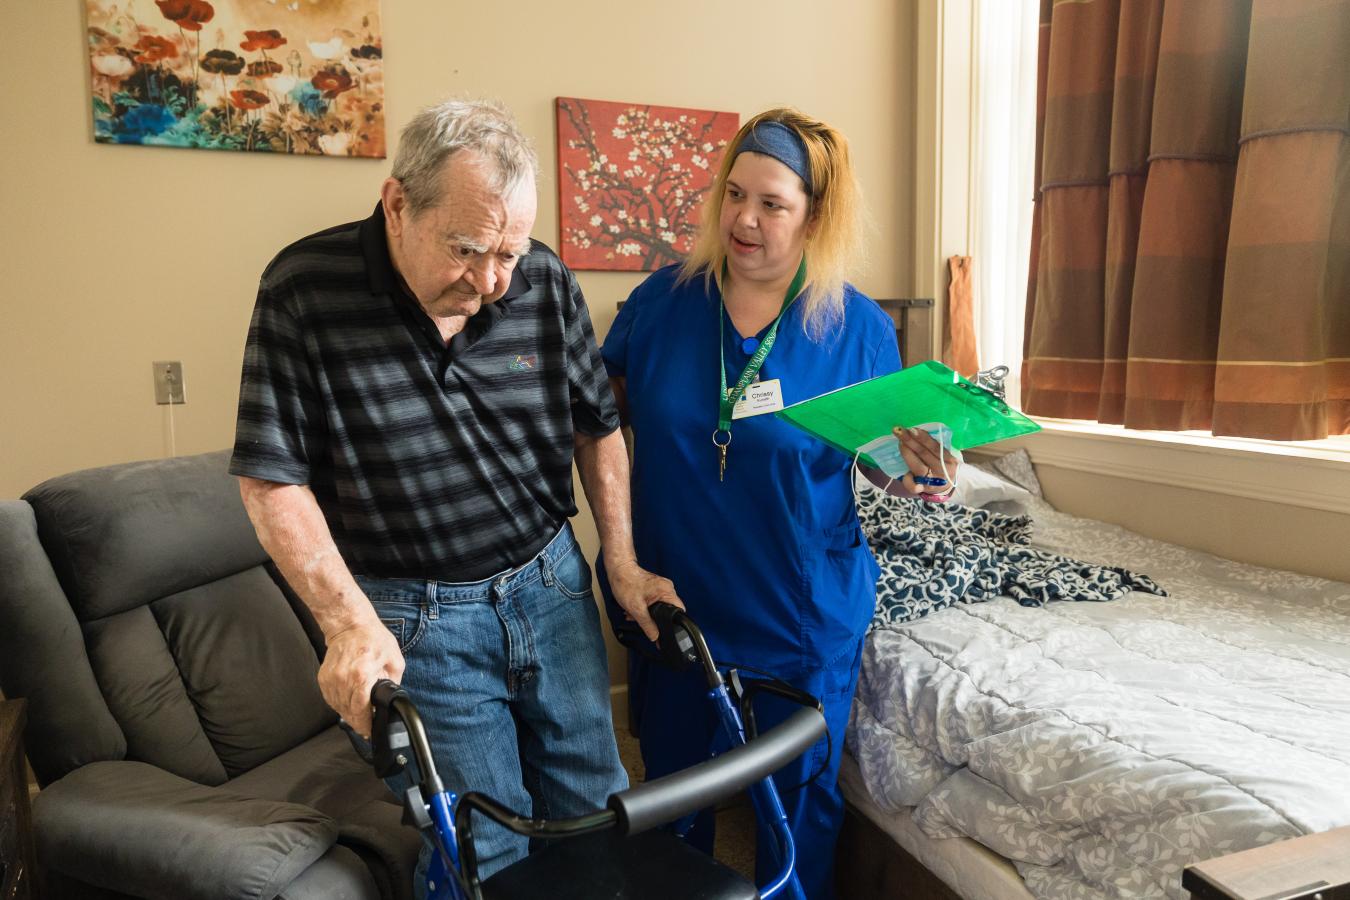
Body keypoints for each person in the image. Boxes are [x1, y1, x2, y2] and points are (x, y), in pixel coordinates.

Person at [229, 98, 679, 889]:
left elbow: (597, 429)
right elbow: (273, 476)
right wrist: (347, 624)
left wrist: (624, 562)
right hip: (417, 613)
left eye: (507, 252)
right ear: (397, 203)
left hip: (549, 584)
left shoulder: (539, 280)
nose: (492, 282)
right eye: (468, 250)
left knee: (597, 810)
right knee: (484, 840)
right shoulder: (304, 288)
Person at [598, 108, 959, 898]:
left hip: (800, 615)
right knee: (672, 800)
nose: (744, 221)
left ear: (815, 216)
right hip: (676, 603)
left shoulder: (857, 328)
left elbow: (880, 464)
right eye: (734, 196)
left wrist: (925, 471)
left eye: (771, 204)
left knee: (798, 814)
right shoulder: (661, 304)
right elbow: (597, 423)